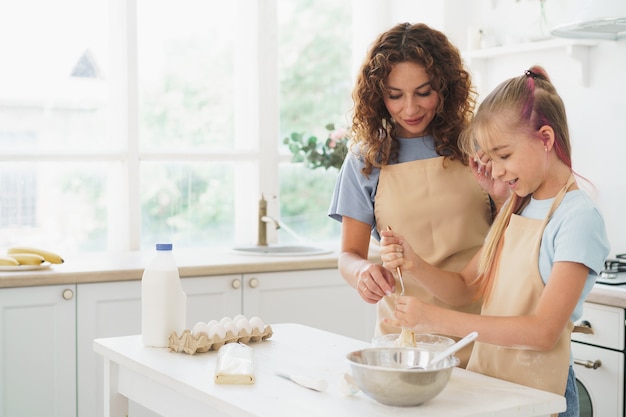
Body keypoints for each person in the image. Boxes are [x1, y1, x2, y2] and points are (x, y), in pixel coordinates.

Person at [380, 66, 610, 417]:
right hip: (494, 387)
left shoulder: (577, 218)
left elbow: (543, 332)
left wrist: (435, 320)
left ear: (545, 139)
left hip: (540, 395)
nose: (497, 170)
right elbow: (465, 288)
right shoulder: (517, 207)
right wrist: (414, 263)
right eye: (491, 159)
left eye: (504, 155)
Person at [328, 22, 510, 366]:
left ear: (445, 87)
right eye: (395, 95)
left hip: (482, 329)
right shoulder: (365, 161)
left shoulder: (477, 146)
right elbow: (348, 255)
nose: (410, 109)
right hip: (404, 340)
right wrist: (362, 273)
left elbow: (508, 230)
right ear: (378, 97)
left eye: (424, 92)